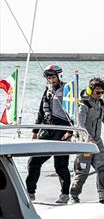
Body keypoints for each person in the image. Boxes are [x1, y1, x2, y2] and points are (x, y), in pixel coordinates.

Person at [26, 64, 73, 204]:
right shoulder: (47, 91)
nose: (51, 79)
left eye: (53, 77)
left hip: (62, 128)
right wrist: (35, 131)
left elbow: (74, 111)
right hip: (47, 128)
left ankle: (65, 194)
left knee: (60, 165)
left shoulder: (68, 90)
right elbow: (41, 112)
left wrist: (70, 131)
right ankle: (30, 192)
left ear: (59, 76)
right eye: (48, 77)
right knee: (34, 161)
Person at [68, 77, 104, 203]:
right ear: (90, 91)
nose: (100, 95)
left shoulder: (101, 103)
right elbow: (80, 125)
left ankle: (103, 195)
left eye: (103, 92)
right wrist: (88, 139)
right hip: (84, 142)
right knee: (82, 171)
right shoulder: (83, 105)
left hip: (97, 141)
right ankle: (73, 196)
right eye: (98, 92)